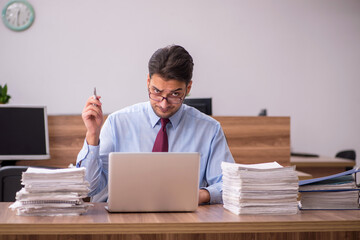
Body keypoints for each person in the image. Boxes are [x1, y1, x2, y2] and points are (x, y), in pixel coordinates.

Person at [76, 45, 234, 204]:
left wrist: (200, 195)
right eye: (157, 92)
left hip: (184, 221)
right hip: (124, 221)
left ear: (188, 88)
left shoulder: (209, 130)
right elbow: (88, 188)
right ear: (148, 82)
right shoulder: (117, 123)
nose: (163, 105)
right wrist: (92, 135)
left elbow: (230, 185)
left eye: (174, 94)